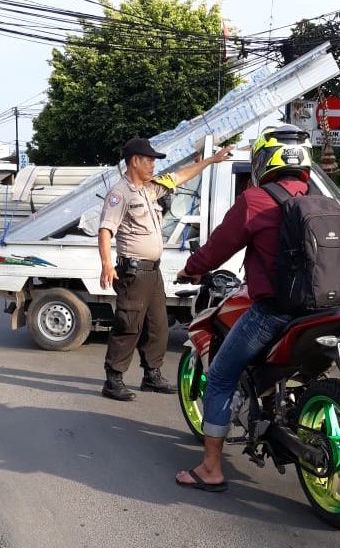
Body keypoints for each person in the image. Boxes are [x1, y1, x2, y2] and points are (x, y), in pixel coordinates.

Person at [175, 125, 312, 492]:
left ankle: (210, 469)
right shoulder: (321, 200)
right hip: (320, 311)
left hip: (273, 312)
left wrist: (191, 269)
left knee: (220, 376)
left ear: (264, 160)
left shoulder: (255, 200)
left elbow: (219, 247)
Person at [99, 137, 233, 401]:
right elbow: (105, 230)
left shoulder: (150, 189)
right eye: (149, 160)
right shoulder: (119, 193)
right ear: (135, 161)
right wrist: (106, 263)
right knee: (128, 325)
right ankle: (113, 379)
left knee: (157, 325)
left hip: (152, 272)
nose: (152, 165)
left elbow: (179, 177)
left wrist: (209, 161)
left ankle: (152, 375)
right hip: (133, 272)